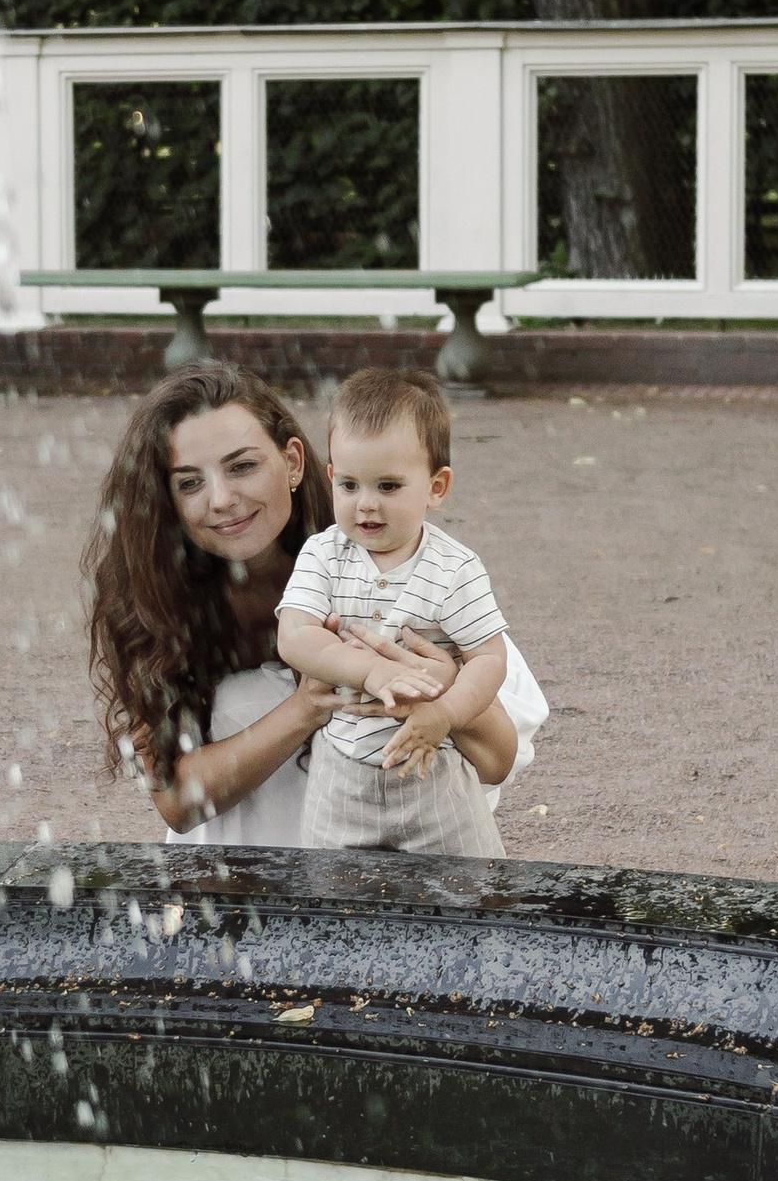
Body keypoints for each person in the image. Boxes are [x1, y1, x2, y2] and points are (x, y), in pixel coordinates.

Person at [83, 361, 542, 848]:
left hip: (410, 841)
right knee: (246, 701)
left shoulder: (396, 569)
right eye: (190, 482)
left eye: (243, 466)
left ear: (295, 462)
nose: (221, 499)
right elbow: (178, 804)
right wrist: (306, 707)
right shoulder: (159, 601)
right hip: (246, 875)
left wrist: (439, 688)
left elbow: (497, 762)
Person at [275, 363, 511, 861]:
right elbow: (294, 634)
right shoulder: (323, 554)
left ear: (436, 487)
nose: (366, 506)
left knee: (467, 892)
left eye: (388, 487)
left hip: (433, 766)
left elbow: (489, 659)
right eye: (351, 486)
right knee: (332, 898)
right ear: (331, 478)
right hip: (342, 771)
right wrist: (373, 669)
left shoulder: (455, 568)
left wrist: (445, 713)